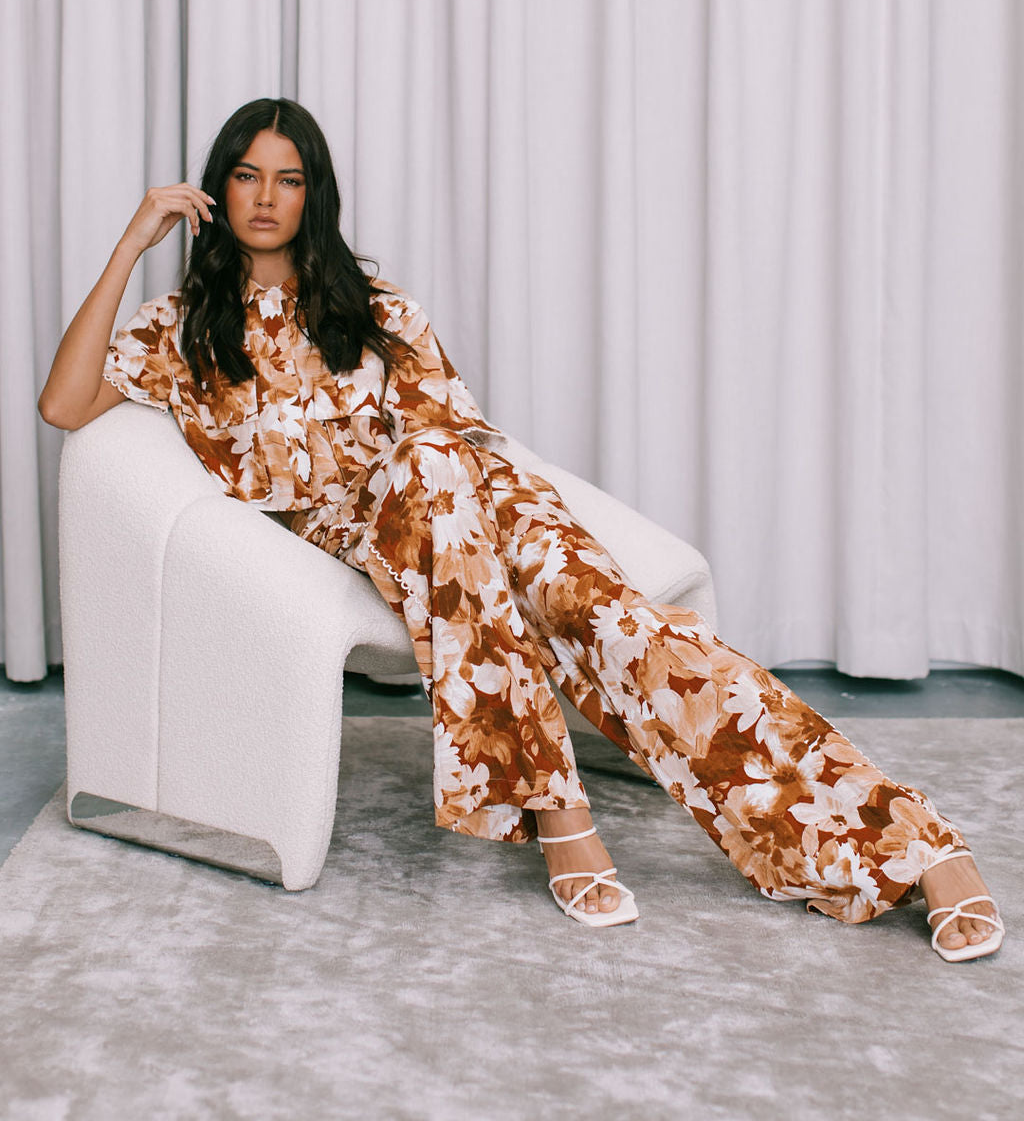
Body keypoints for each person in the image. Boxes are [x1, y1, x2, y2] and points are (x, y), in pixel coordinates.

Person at [39, 98, 1003, 961]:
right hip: (376, 526)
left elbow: (459, 438)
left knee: (630, 633)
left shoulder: (374, 307)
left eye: (287, 179)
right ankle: (559, 808)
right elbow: (64, 404)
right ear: (215, 191)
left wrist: (471, 501)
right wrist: (132, 241)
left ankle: (909, 838)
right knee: (429, 477)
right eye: (246, 175)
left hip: (482, 504)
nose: (264, 197)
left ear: (312, 196)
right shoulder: (183, 331)